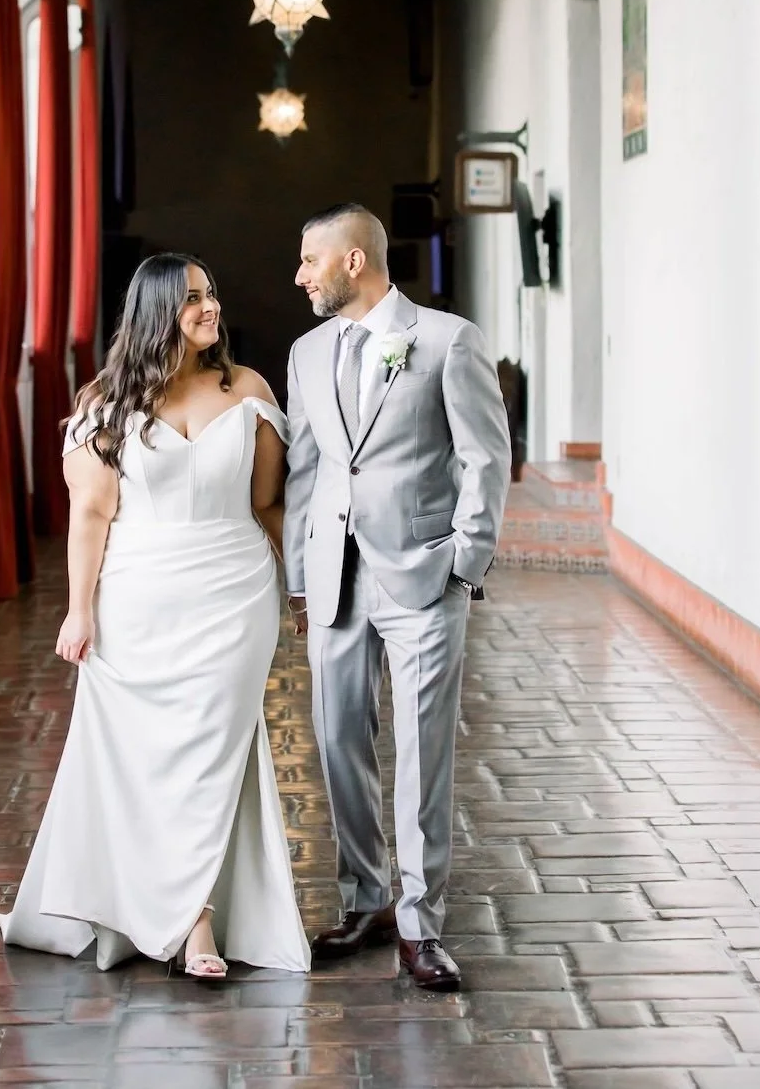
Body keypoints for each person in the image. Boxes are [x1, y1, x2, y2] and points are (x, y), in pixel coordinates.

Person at [0, 253, 311, 978]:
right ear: (156, 311)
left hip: (235, 597)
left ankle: (196, 921)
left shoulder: (248, 390)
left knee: (212, 755)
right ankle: (179, 914)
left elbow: (269, 503)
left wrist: (300, 590)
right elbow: (91, 514)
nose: (211, 307)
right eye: (193, 298)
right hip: (136, 601)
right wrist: (79, 612)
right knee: (144, 760)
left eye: (212, 293)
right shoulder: (105, 403)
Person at [283, 204, 510, 991]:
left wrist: (464, 564)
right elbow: (306, 470)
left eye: (310, 259)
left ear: (353, 260)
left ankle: (420, 924)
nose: (300, 276)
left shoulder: (447, 340)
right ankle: (366, 899)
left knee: (421, 752)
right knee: (337, 739)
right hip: (334, 577)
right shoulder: (307, 352)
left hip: (422, 574)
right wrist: (299, 577)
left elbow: (485, 459)